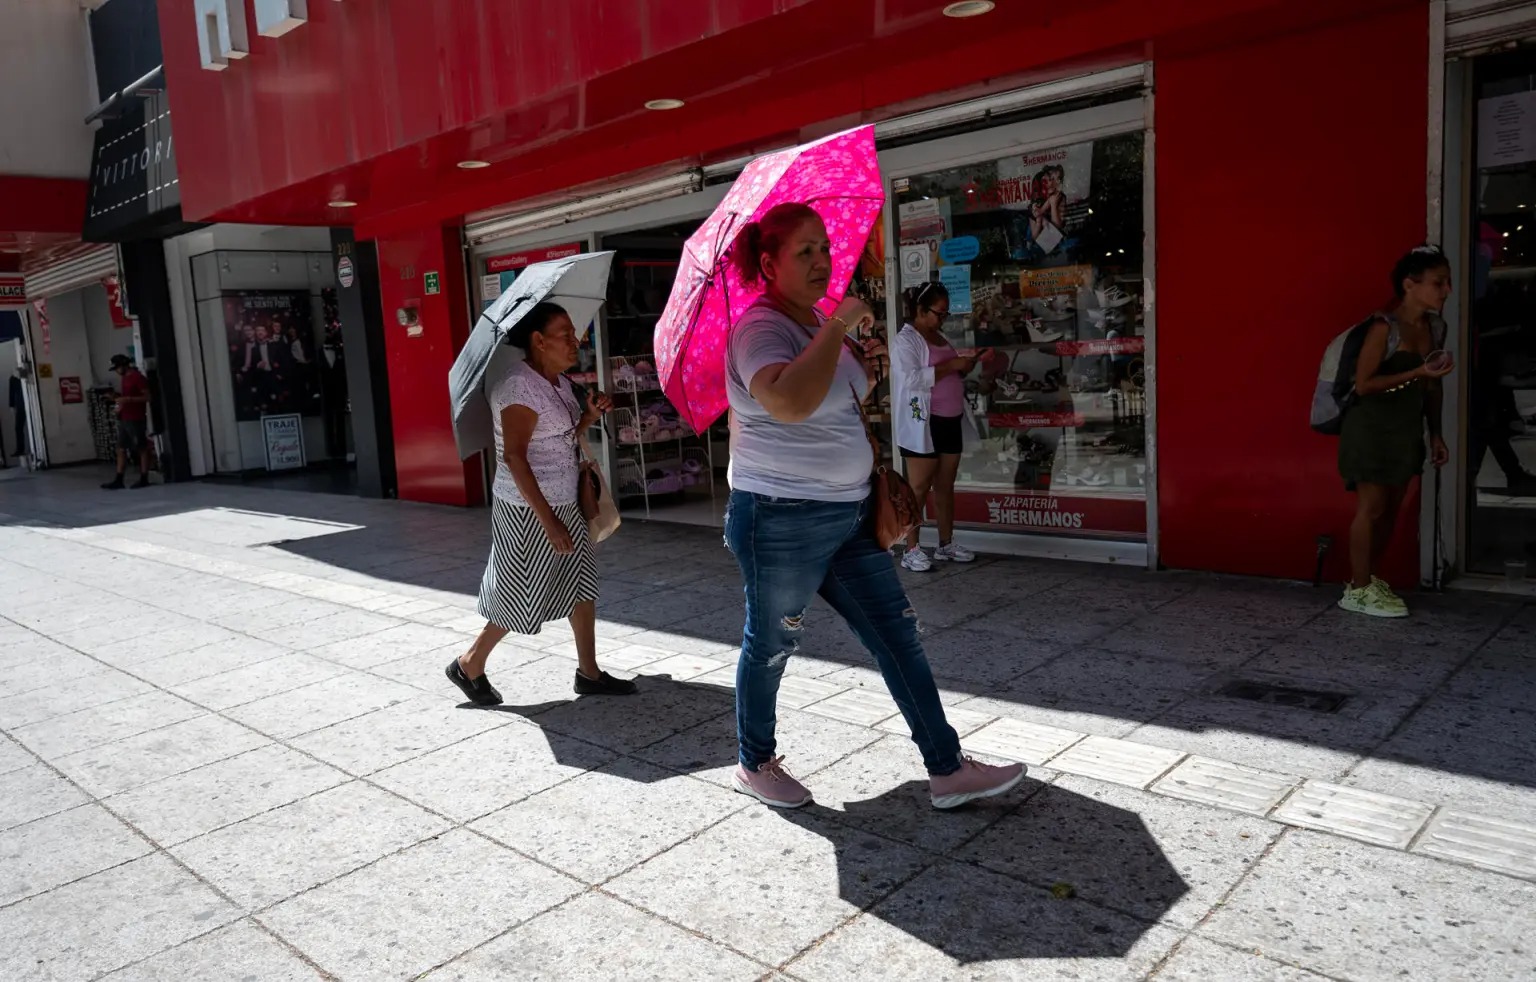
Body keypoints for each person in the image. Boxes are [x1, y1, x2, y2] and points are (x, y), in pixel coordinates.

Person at [723, 201, 1025, 810]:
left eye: (825, 249)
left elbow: (841, 395)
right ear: (768, 262)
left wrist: (870, 367)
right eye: (804, 251)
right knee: (774, 641)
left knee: (898, 634)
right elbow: (785, 401)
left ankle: (946, 768)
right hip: (780, 518)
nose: (821, 261)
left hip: (849, 513)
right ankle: (754, 761)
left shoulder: (811, 325)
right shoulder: (761, 328)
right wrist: (838, 326)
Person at [446, 301, 636, 705]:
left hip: (565, 499)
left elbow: (561, 437)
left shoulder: (559, 382)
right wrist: (548, 521)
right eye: (565, 334)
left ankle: (589, 672)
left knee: (581, 583)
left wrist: (587, 417)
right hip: (528, 509)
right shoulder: (517, 387)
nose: (576, 341)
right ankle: (469, 664)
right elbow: (514, 456)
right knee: (521, 592)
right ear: (538, 340)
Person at [1337, 246, 1454, 618]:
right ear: (1410, 284)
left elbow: (1433, 387)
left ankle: (1369, 578)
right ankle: (1356, 590)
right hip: (1371, 428)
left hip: (1406, 429)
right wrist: (1416, 373)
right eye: (1438, 283)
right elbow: (1365, 384)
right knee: (1371, 508)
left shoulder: (1435, 327)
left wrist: (1435, 433)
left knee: (1391, 511)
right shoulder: (1383, 327)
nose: (1446, 290)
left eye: (1447, 282)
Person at [890, 281, 982, 571]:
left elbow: (943, 371)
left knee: (945, 485)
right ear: (920, 310)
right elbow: (912, 378)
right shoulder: (905, 340)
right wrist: (953, 367)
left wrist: (964, 366)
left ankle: (946, 542)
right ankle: (911, 547)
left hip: (950, 419)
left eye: (945, 314)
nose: (942, 319)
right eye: (938, 313)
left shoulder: (938, 336)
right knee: (918, 487)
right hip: (923, 422)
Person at [102, 355, 152, 490]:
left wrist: (127, 400)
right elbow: (124, 398)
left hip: (136, 418)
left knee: (141, 448)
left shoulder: (138, 378)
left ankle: (144, 477)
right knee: (121, 448)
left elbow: (147, 397)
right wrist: (117, 401)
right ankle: (119, 479)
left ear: (124, 365)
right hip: (125, 417)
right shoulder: (125, 379)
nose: (117, 371)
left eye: (117, 368)